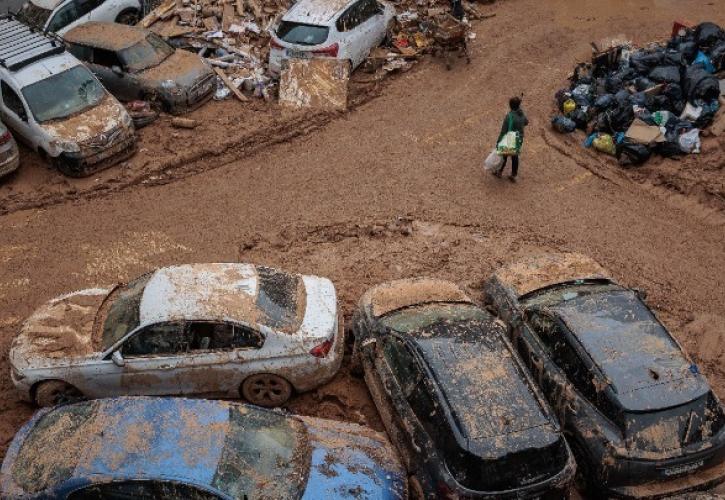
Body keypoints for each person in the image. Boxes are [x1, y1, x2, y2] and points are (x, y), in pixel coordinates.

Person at [494, 96, 529, 182]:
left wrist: (499, 142)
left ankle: (499, 171)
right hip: (518, 139)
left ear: (510, 106)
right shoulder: (522, 115)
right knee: (515, 156)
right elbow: (526, 122)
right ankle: (514, 175)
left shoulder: (509, 116)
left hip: (509, 139)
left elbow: (504, 131)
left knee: (504, 155)